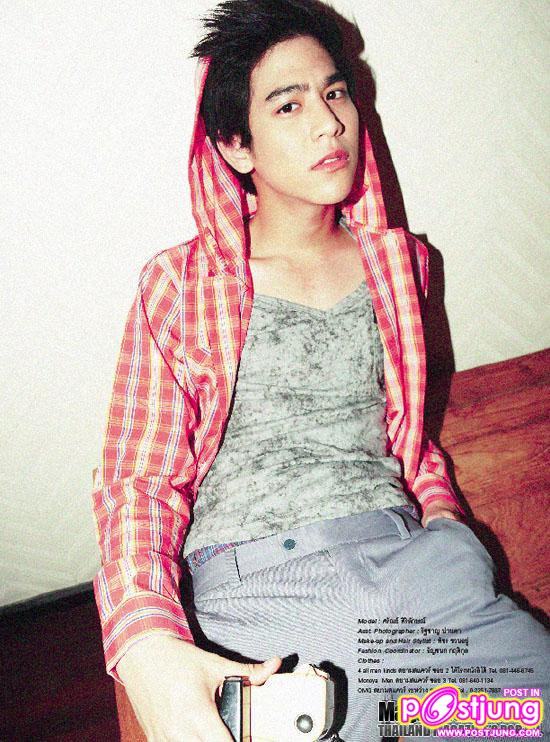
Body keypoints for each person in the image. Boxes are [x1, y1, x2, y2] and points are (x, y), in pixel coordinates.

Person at [91, 1, 549, 740]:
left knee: (522, 717)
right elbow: (139, 482)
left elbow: (405, 436)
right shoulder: (182, 286)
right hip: (266, 593)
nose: (329, 123)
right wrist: (146, 644)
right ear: (235, 145)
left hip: (421, 578)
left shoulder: (401, 266)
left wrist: (445, 524)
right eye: (289, 104)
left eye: (335, 93)